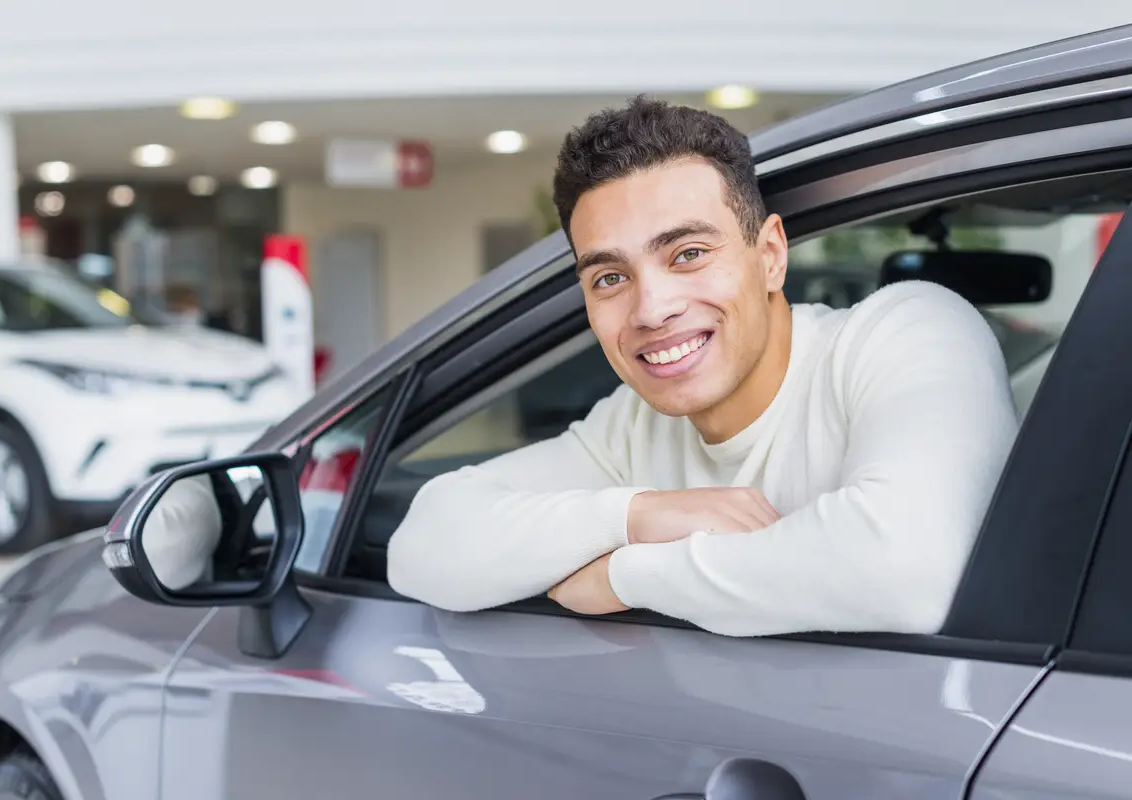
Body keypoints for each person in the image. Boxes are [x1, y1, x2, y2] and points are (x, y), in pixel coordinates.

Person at [385, 96, 1019, 637]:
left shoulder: (902, 333)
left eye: (687, 253)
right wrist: (640, 515)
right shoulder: (633, 428)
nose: (652, 309)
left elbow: (906, 569)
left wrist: (626, 575)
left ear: (769, 254)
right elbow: (425, 545)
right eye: (610, 276)